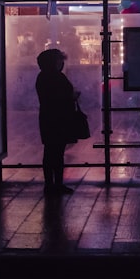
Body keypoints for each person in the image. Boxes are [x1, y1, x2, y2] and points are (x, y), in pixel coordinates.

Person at [35, 48, 80, 195]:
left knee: (49, 152)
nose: (61, 63)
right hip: (60, 119)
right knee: (58, 153)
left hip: (47, 118)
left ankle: (49, 184)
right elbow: (65, 96)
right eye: (59, 60)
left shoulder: (42, 77)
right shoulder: (58, 77)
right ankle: (58, 184)